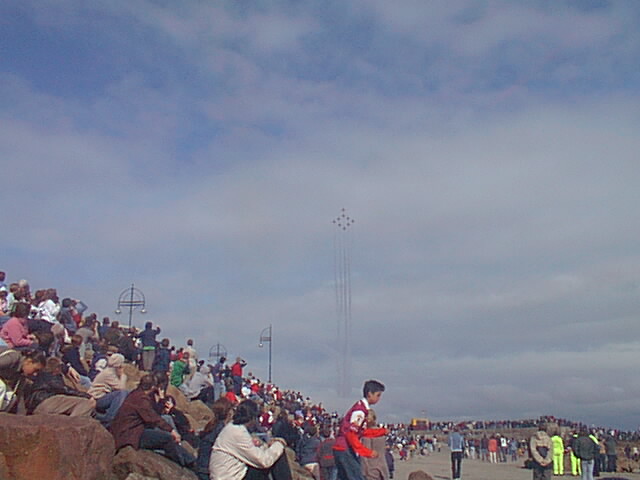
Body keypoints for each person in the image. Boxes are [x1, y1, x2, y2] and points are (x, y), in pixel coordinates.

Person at [110, 374, 195, 468]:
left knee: (166, 436)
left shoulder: (135, 394)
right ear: (152, 387)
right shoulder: (141, 399)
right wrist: (172, 430)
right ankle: (182, 465)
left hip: (131, 430)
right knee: (167, 438)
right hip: (130, 434)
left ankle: (190, 460)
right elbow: (153, 417)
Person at [210, 398, 291, 480]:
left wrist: (265, 446)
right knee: (277, 454)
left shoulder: (232, 428)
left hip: (228, 474)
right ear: (253, 418)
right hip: (229, 477)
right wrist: (279, 444)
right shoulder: (238, 433)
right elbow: (264, 461)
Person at [333, 380, 385, 480]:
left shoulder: (361, 408)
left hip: (341, 447)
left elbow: (361, 432)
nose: (379, 399)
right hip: (345, 448)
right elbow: (351, 434)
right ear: (369, 394)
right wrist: (366, 452)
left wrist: (381, 432)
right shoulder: (360, 411)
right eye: (378, 395)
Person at [25, 356, 95, 417]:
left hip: (37, 404)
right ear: (57, 368)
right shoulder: (51, 376)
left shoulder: (41, 374)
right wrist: (87, 396)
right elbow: (65, 390)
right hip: (45, 401)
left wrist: (68, 369)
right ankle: (74, 425)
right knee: (86, 403)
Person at [195, 397, 234, 480]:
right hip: (207, 469)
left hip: (201, 465)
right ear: (229, 413)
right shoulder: (220, 429)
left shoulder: (212, 425)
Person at [88, 353, 129, 427]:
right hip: (98, 398)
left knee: (127, 393)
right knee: (121, 393)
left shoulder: (111, 371)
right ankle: (110, 419)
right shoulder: (109, 373)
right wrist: (123, 375)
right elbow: (121, 387)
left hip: (103, 396)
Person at [0, 348, 46, 412]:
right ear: (28, 362)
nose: (35, 374)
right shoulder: (13, 358)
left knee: (12, 396)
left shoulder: (22, 375)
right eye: (36, 370)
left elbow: (19, 397)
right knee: (1, 387)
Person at [361, 410, 389, 480]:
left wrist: (363, 471)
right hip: (382, 466)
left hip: (371, 468)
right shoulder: (381, 434)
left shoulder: (367, 435)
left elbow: (365, 455)